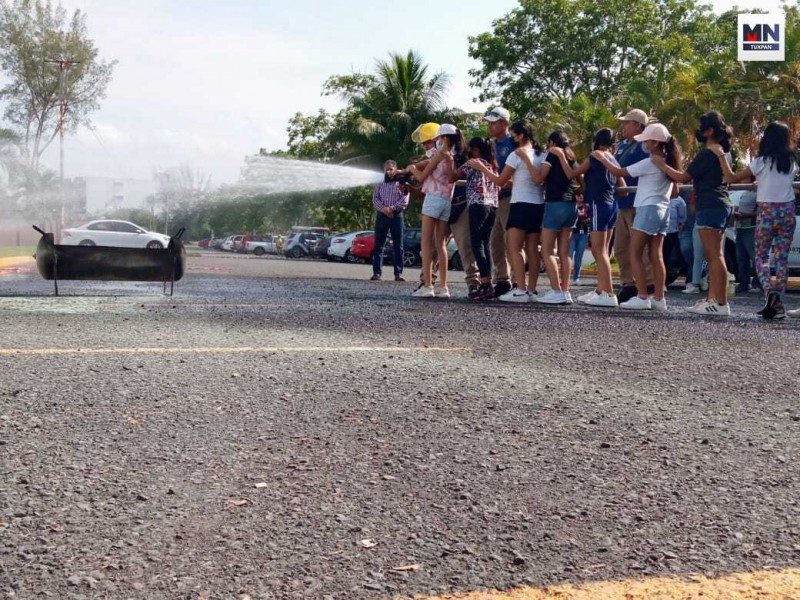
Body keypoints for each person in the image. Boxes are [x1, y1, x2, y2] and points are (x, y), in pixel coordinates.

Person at [593, 123, 681, 311]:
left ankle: (642, 296)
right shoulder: (667, 161)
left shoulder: (651, 162)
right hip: (663, 210)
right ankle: (659, 297)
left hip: (648, 208)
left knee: (635, 252)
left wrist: (602, 158)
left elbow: (618, 172)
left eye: (648, 141)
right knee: (656, 255)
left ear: (655, 143)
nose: (645, 144)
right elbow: (675, 191)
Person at [715, 121, 798, 319]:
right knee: (781, 259)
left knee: (761, 257)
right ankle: (778, 302)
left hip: (767, 211)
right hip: (787, 211)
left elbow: (732, 177)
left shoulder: (761, 161)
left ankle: (769, 292)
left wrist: (720, 156)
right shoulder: (791, 161)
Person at [654, 111, 734, 316]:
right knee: (716, 254)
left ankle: (721, 303)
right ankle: (713, 299)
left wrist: (661, 164)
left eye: (702, 127)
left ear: (709, 131)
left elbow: (682, 176)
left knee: (714, 255)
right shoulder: (722, 152)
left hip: (710, 204)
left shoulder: (707, 153)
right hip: (720, 204)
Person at [468, 119, 545, 302]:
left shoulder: (516, 155)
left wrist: (481, 167)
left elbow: (499, 181)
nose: (512, 138)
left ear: (521, 135)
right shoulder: (541, 154)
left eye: (514, 135)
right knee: (532, 249)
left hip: (520, 203)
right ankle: (532, 290)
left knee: (515, 248)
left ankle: (520, 288)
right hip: (538, 204)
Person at [557, 128, 623, 307]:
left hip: (598, 204)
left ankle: (609, 294)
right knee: (605, 251)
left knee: (598, 251)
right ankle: (601, 290)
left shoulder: (596, 155)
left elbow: (571, 174)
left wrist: (562, 157)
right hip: (612, 205)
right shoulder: (612, 158)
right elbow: (621, 184)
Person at [408, 124, 465, 299]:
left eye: (438, 138)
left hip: (432, 199)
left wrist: (410, 168)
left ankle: (428, 285)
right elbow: (450, 178)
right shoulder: (452, 157)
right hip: (446, 202)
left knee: (426, 243)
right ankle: (444, 287)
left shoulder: (439, 154)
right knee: (441, 245)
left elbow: (421, 177)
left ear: (445, 138)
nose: (436, 141)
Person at [535, 131, 581, 305]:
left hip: (554, 203)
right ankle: (565, 290)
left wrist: (529, 164)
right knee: (564, 251)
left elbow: (540, 177)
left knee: (546, 250)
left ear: (552, 142)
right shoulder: (571, 158)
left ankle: (555, 291)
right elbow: (580, 178)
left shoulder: (552, 154)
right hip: (571, 206)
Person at [614, 109, 654, 303]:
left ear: (638, 125)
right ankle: (628, 284)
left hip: (637, 201)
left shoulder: (644, 146)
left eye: (627, 122)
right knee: (621, 247)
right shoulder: (623, 145)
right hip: (622, 202)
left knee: (640, 248)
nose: (624, 126)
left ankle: (647, 285)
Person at [454, 137, 499, 300]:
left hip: (478, 204)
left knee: (476, 243)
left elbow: (453, 177)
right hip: (492, 206)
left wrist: (449, 161)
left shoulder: (473, 163)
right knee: (485, 244)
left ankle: (485, 282)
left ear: (476, 149)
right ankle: (488, 283)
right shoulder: (493, 166)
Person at [484, 107, 516, 297]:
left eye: (493, 122)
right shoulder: (491, 144)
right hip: (493, 197)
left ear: (504, 123)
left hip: (510, 197)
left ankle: (518, 280)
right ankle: (502, 279)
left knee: (511, 240)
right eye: (488, 122)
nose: (490, 126)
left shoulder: (514, 143)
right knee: (494, 241)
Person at [370, 160, 409, 281]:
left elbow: (405, 200)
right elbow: (375, 199)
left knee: (398, 246)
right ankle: (377, 273)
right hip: (382, 216)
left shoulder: (402, 182)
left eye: (391, 169)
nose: (389, 171)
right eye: (387, 169)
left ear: (395, 169)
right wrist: (384, 209)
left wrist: (391, 209)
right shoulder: (380, 184)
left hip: (396, 216)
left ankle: (398, 273)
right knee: (379, 245)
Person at [733, 190, 757, 294]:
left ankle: (759, 283)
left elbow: (761, 211)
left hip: (751, 228)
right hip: (740, 228)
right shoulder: (744, 192)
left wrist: (745, 215)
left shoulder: (757, 192)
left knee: (755, 257)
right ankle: (744, 283)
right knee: (741, 258)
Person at [663, 192, 687, 285]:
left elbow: (682, 217)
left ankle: (666, 280)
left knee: (667, 255)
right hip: (658, 232)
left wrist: (680, 224)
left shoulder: (679, 201)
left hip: (672, 232)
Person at [570, 197, 590, 285]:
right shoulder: (571, 206)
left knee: (578, 258)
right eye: (578, 195)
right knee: (568, 255)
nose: (581, 197)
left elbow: (592, 218)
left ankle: (576, 278)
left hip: (583, 234)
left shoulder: (587, 207)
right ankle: (564, 277)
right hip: (572, 234)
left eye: (582, 195)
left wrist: (588, 221)